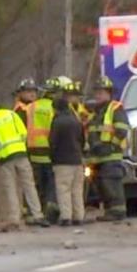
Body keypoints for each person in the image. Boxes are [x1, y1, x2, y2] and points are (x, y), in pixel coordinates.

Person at [0, 95, 48, 231]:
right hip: (21, 153)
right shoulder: (11, 114)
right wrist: (20, 145)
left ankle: (15, 217)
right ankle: (38, 214)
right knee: (29, 185)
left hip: (5, 157)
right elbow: (24, 133)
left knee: (10, 187)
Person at [16, 78, 58, 224]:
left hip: (44, 152)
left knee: (40, 183)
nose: (32, 94)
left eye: (33, 91)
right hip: (29, 152)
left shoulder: (35, 107)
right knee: (33, 183)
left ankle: (41, 212)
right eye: (28, 91)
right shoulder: (21, 110)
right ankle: (31, 213)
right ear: (20, 93)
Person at [88, 78, 131, 221]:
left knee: (110, 183)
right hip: (98, 156)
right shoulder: (96, 112)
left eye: (101, 92)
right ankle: (110, 211)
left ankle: (118, 212)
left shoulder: (115, 108)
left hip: (111, 155)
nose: (97, 95)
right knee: (101, 184)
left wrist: (112, 145)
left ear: (109, 93)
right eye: (96, 92)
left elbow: (122, 129)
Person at [50, 97, 86, 227]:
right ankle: (79, 216)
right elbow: (82, 140)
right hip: (77, 160)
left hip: (62, 161)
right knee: (77, 190)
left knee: (63, 189)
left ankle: (66, 217)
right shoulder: (76, 120)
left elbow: (53, 142)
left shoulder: (57, 121)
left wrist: (52, 158)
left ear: (56, 108)